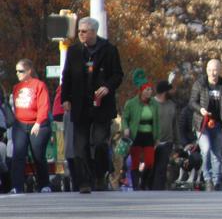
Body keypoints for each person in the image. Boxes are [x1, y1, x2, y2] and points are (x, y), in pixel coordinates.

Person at [61, 17, 124, 193]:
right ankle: (84, 181)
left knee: (99, 142)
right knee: (80, 146)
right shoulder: (74, 51)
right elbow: (66, 76)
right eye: (79, 31)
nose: (80, 34)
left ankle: (100, 173)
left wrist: (107, 87)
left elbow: (118, 74)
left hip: (101, 104)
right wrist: (65, 98)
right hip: (80, 103)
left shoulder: (109, 50)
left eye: (84, 31)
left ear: (94, 32)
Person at [189, 59, 222, 191]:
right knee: (206, 149)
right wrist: (200, 110)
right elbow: (192, 102)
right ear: (206, 70)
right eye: (210, 70)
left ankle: (217, 180)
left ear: (220, 70)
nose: (212, 73)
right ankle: (207, 178)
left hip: (218, 124)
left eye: (215, 70)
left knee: (217, 153)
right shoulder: (200, 84)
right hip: (202, 123)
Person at [10, 60, 52, 193]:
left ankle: (44, 184)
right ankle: (17, 186)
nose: (18, 74)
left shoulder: (39, 85)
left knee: (38, 155)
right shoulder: (16, 87)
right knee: (18, 155)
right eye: (16, 71)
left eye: (21, 71)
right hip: (20, 124)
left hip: (37, 124)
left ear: (29, 71)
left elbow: (43, 106)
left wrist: (38, 123)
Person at [122, 82, 159, 190]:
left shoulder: (154, 104)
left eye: (151, 90)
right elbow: (125, 118)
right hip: (136, 134)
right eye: (147, 90)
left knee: (149, 162)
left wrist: (157, 137)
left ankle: (143, 181)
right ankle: (135, 186)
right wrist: (126, 128)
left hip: (149, 135)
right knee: (135, 162)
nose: (150, 92)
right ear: (141, 91)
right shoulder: (131, 103)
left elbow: (157, 121)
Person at [152, 80, 181, 190]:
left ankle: (157, 192)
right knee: (151, 168)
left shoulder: (172, 105)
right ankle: (147, 189)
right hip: (152, 142)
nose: (172, 92)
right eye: (169, 90)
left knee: (161, 168)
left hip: (167, 142)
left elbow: (175, 125)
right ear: (164, 92)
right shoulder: (151, 104)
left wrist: (178, 143)